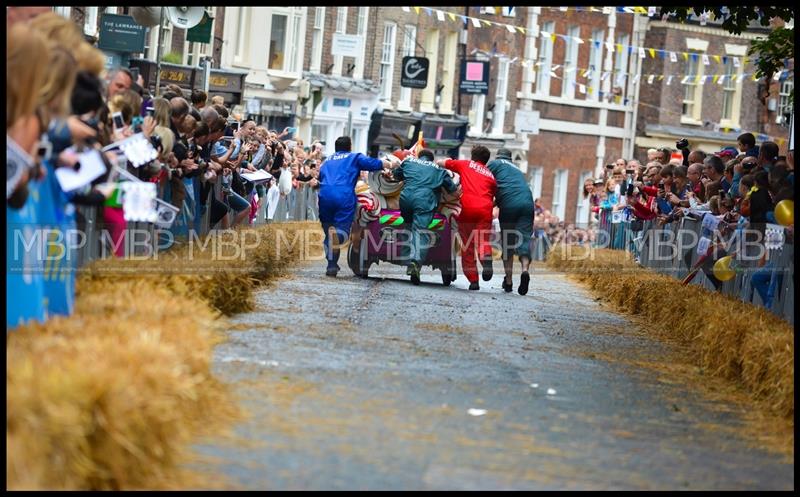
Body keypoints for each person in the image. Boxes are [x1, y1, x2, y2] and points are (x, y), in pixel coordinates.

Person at [317, 136, 392, 277]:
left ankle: (331, 266)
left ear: (335, 147)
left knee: (328, 231)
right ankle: (337, 237)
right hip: (344, 195)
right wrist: (389, 165)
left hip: (325, 195)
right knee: (341, 231)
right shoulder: (354, 157)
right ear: (350, 146)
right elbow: (373, 164)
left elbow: (320, 178)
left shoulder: (327, 161)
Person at [390, 149, 457, 285]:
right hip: (424, 201)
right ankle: (415, 262)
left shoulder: (408, 161)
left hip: (405, 199)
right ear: (431, 159)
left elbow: (396, 175)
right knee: (420, 231)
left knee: (408, 225)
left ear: (419, 157)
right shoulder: (438, 169)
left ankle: (406, 257)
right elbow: (451, 188)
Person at [437, 145, 497, 290]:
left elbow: (443, 163)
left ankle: (473, 280)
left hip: (467, 208)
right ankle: (486, 259)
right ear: (486, 160)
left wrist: (440, 161)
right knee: (482, 240)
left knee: (468, 244)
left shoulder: (465, 165)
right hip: (485, 209)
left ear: (473, 156)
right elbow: (494, 194)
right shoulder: (490, 175)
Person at [485, 148, 534, 295]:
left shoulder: (495, 164)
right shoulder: (517, 170)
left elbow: (482, 178)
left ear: (498, 156)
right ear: (510, 159)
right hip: (527, 202)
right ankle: (525, 270)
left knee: (508, 243)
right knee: (524, 240)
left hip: (509, 204)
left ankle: (509, 281)